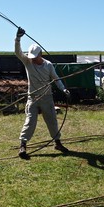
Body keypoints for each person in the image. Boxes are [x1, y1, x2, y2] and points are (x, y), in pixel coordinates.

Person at [15, 27, 70, 160]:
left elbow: (56, 79)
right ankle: (23, 145)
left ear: (41, 55)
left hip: (46, 97)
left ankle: (57, 143)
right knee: (30, 121)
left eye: (35, 57)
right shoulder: (28, 62)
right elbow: (18, 53)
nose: (33, 59)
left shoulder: (48, 65)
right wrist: (17, 39)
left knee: (52, 121)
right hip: (32, 97)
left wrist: (63, 89)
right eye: (31, 57)